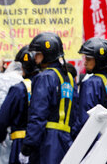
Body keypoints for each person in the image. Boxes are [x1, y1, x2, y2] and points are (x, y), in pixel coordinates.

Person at [19, 32, 77, 164]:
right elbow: (76, 115)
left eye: (38, 54)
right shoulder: (69, 79)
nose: (35, 58)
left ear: (47, 54)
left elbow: (38, 114)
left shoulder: (45, 77)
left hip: (48, 141)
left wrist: (28, 146)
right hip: (67, 141)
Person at [74, 37, 107, 164]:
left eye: (89, 59)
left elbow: (85, 118)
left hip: (96, 144)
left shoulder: (91, 83)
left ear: (99, 60)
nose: (85, 63)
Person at [0, 45, 39, 164]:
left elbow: (2, 119)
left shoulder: (19, 89)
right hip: (43, 143)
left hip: (21, 144)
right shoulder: (49, 85)